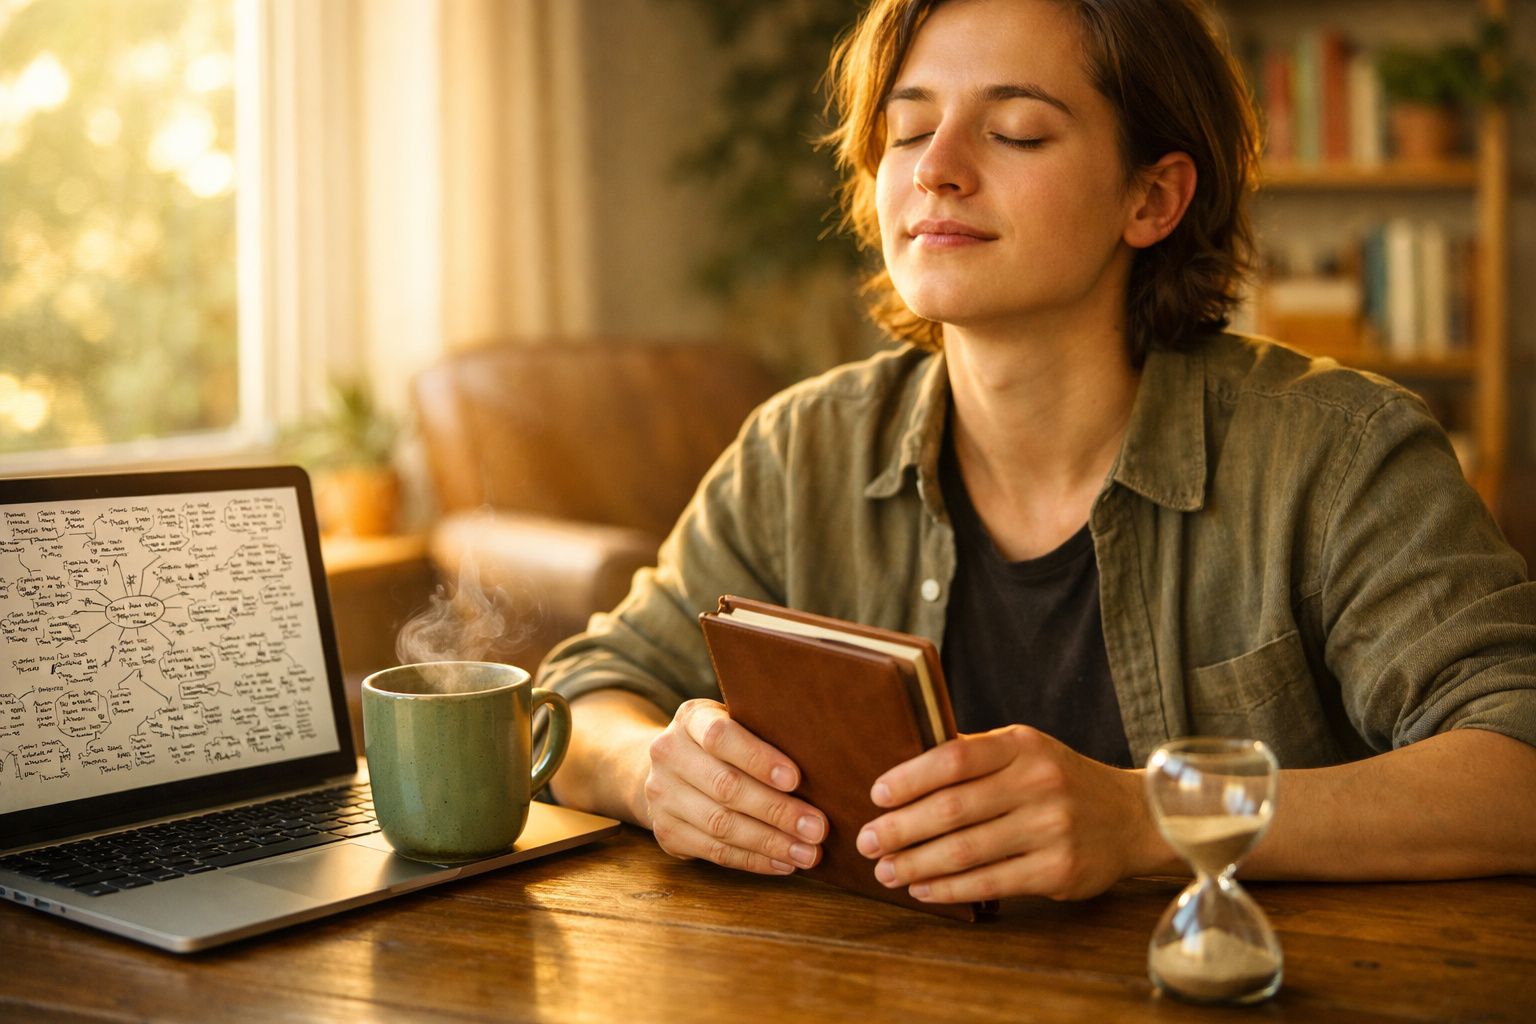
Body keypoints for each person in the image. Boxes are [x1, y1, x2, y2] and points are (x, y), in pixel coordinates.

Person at [542, 0, 1536, 904]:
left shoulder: (1341, 454)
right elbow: (579, 699)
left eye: (1015, 129)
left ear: (1152, 198)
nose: (937, 167)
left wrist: (1146, 815)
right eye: (909, 128)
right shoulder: (801, 449)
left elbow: (1516, 766)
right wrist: (651, 770)